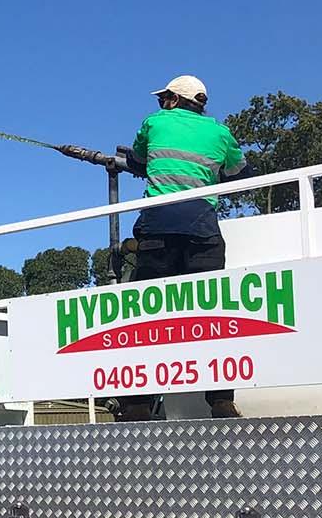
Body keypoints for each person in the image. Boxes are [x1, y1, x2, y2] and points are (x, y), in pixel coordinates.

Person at [112, 75, 248, 422]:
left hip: (158, 227)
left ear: (173, 100)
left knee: (144, 318)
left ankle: (138, 404)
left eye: (163, 99)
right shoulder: (220, 133)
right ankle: (221, 402)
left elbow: (140, 160)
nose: (160, 104)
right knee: (212, 316)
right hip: (203, 230)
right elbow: (239, 171)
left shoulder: (154, 123)